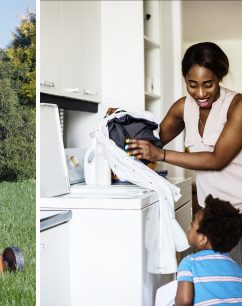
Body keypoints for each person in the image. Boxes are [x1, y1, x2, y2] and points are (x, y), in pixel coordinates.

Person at [105, 42, 242, 266]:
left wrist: (161, 154)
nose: (200, 93)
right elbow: (149, 142)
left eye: (208, 85)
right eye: (192, 84)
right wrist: (121, 119)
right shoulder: (182, 107)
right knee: (213, 284)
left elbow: (217, 160)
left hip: (238, 213)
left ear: (220, 77)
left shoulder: (237, 106)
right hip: (211, 216)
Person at [175, 195, 242, 305]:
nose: (188, 227)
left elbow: (184, 301)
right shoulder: (238, 269)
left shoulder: (190, 263)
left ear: (203, 239)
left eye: (192, 225)